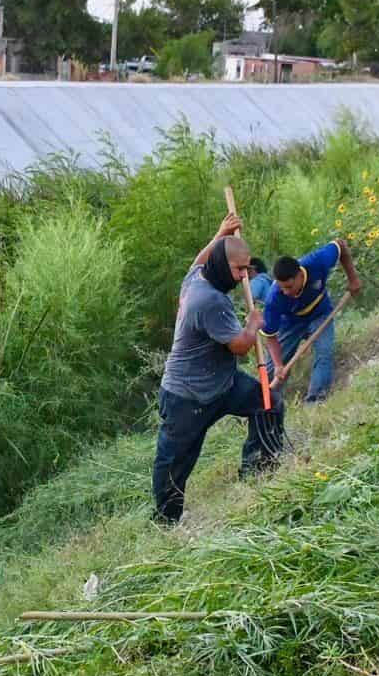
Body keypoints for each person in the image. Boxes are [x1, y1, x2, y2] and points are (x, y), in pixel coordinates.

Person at [152, 214, 285, 524]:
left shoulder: (196, 277)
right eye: (239, 269)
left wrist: (219, 233)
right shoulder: (210, 300)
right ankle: (166, 521)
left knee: (269, 404)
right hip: (188, 396)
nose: (243, 276)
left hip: (222, 385)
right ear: (223, 266)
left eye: (246, 268)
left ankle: (258, 469)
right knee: (174, 461)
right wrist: (253, 324)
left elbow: (199, 260)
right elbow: (239, 346)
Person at [262, 239, 362, 403]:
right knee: (272, 369)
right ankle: (266, 403)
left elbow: (341, 245)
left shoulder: (318, 261)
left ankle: (316, 401)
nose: (285, 292)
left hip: (320, 314)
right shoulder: (274, 298)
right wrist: (280, 364)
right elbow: (270, 336)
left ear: (300, 275)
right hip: (291, 324)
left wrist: (353, 279)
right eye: (282, 287)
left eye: (289, 286)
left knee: (324, 353)